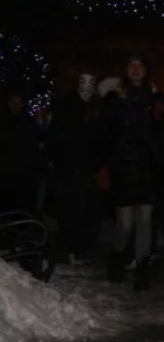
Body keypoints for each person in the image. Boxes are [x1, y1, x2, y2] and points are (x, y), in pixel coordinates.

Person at [98, 55, 164, 291]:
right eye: (131, 65)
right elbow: (105, 134)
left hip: (148, 167)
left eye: (140, 65)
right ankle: (117, 257)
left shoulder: (155, 98)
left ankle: (142, 268)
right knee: (125, 224)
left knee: (145, 221)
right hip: (123, 167)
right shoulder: (114, 98)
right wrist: (104, 165)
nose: (136, 69)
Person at [46, 74, 102, 263]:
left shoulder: (93, 108)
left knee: (82, 212)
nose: (87, 87)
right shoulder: (69, 108)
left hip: (83, 169)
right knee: (71, 212)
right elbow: (56, 137)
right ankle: (70, 249)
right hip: (70, 169)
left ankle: (75, 249)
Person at [0, 85, 43, 214]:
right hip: (6, 175)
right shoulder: (3, 120)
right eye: (13, 103)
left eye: (19, 103)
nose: (16, 106)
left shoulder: (26, 121)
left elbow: (35, 140)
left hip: (23, 175)